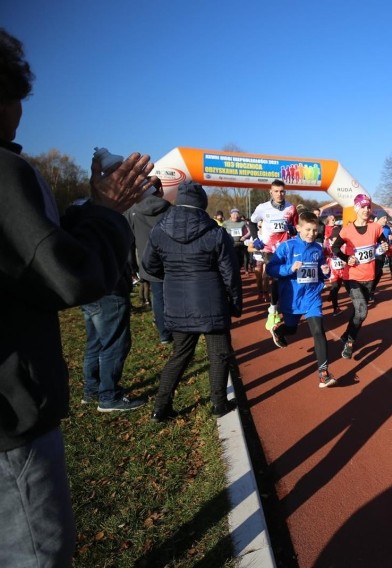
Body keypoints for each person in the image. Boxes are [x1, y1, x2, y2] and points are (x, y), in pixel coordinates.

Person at [0, 27, 158, 566]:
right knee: (39, 554)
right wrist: (107, 210)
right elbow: (69, 275)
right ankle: (103, 389)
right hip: (9, 421)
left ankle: (99, 387)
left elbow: (33, 249)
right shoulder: (4, 171)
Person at [144, 182, 242, 421]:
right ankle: (219, 404)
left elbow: (149, 265)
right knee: (218, 354)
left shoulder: (159, 229)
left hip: (177, 301)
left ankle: (160, 407)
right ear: (202, 204)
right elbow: (230, 273)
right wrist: (235, 304)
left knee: (180, 355)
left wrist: (172, 276)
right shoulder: (215, 231)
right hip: (211, 301)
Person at [266, 213, 336, 387]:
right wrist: (289, 268)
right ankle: (279, 330)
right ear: (298, 228)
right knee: (291, 329)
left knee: (318, 332)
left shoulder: (318, 249)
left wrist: (325, 272)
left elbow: (320, 272)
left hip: (312, 297)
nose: (312, 234)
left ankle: (323, 374)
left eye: (315, 230)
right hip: (292, 298)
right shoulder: (287, 247)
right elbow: (271, 268)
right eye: (308, 230)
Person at [80, 251, 145, 412]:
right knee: (115, 343)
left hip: (89, 287)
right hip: (109, 290)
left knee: (95, 342)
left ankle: (92, 389)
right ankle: (109, 396)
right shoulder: (105, 230)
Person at [330, 193, 388, 359]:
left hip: (369, 278)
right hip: (352, 277)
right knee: (362, 312)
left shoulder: (375, 228)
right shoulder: (347, 230)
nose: (366, 210)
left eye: (368, 207)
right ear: (356, 208)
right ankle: (350, 341)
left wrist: (384, 245)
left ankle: (347, 333)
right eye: (362, 206)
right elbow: (335, 249)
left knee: (358, 311)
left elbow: (383, 241)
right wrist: (347, 258)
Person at [126, 177, 173, 344]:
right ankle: (177, 329)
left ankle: (164, 334)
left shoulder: (131, 211)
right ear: (159, 190)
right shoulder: (170, 209)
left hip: (146, 262)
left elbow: (128, 241)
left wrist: (132, 266)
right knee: (173, 296)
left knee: (158, 296)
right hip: (171, 260)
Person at [250, 179, 299, 328]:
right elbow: (252, 222)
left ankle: (282, 307)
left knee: (287, 278)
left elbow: (296, 226)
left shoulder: (291, 208)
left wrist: (293, 230)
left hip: (286, 248)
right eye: (276, 191)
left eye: (282, 191)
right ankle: (273, 310)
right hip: (269, 249)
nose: (279, 194)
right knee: (277, 278)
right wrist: (256, 238)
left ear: (285, 192)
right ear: (271, 192)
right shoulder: (262, 208)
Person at [222, 207, 251, 274]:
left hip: (240, 244)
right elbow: (221, 231)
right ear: (231, 215)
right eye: (234, 214)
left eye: (237, 214)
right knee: (231, 260)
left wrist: (245, 237)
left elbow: (249, 231)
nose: (235, 216)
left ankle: (238, 270)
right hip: (230, 244)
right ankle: (233, 272)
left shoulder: (242, 222)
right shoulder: (226, 223)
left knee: (240, 261)